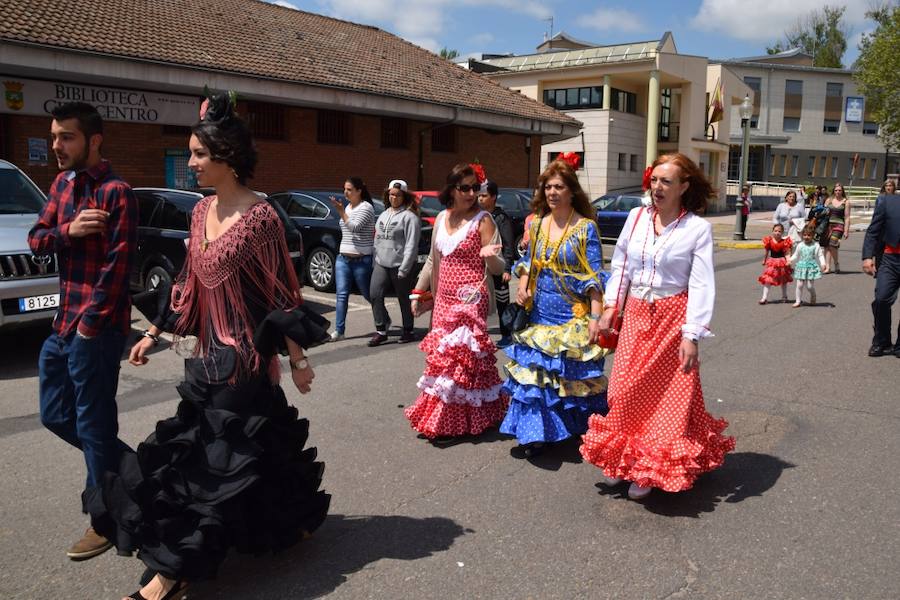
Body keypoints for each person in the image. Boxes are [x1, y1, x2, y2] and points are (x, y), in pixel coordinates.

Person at [81, 93, 331, 600]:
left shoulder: (261, 218)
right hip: (206, 358)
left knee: (210, 465)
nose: (190, 163)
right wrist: (153, 333)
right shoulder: (199, 214)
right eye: (191, 153)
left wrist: (297, 359)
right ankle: (287, 521)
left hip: (242, 361)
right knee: (251, 447)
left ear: (227, 157)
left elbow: (280, 296)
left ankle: (172, 574)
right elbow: (187, 284)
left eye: (198, 154)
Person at [580, 152, 735, 501]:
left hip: (672, 318)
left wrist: (691, 334)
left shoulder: (697, 228)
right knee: (623, 389)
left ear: (683, 186)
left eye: (667, 181)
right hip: (636, 314)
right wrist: (609, 309)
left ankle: (650, 467)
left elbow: (701, 284)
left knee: (664, 399)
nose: (658, 187)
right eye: (655, 180)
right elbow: (620, 266)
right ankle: (628, 457)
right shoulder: (636, 218)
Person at [27, 101, 138, 561]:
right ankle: (133, 469)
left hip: (97, 328)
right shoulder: (62, 184)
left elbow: (119, 267)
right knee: (55, 415)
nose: (57, 145)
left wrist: (90, 327)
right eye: (54, 137)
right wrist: (67, 231)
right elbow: (36, 239)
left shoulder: (117, 192)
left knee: (93, 423)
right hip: (61, 323)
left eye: (66, 137)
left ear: (94, 140)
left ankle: (104, 521)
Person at [500, 156, 609, 459]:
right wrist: (522, 287)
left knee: (569, 378)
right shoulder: (536, 225)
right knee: (536, 377)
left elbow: (595, 278)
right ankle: (536, 435)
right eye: (548, 187)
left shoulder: (585, 228)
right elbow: (528, 263)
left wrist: (596, 317)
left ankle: (571, 429)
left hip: (571, 313)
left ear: (571, 191)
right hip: (539, 315)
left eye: (559, 186)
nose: (552, 192)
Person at [405, 163, 508, 440]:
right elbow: (431, 260)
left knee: (460, 364)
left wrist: (490, 256)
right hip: (443, 300)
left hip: (470, 301)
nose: (472, 193)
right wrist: (418, 291)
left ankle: (450, 422)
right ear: (452, 188)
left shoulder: (484, 220)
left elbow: (498, 268)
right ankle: (453, 417)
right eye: (465, 188)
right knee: (442, 361)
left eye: (476, 188)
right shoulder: (441, 218)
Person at [369, 179, 421, 346]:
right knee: (374, 293)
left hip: (400, 264)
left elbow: (411, 244)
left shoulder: (409, 217)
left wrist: (405, 267)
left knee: (403, 298)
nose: (394, 198)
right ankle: (381, 330)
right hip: (381, 262)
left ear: (404, 196)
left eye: (398, 195)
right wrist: (374, 259)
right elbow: (376, 239)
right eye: (391, 194)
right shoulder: (383, 214)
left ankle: (408, 329)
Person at [328, 177, 375, 341]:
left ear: (359, 191)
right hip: (343, 259)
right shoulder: (348, 207)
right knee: (341, 295)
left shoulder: (366, 207)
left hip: (361, 260)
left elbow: (355, 228)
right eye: (344, 189)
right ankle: (339, 331)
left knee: (368, 294)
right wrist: (343, 211)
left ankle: (383, 321)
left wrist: (341, 212)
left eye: (349, 189)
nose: (345, 193)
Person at [862, 182, 900, 357]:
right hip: (890, 259)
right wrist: (868, 257)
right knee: (882, 299)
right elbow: (873, 231)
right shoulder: (888, 201)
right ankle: (882, 340)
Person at [478, 180, 516, 347]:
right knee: (480, 303)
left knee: (502, 303)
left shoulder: (501, 218)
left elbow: (508, 244)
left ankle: (507, 334)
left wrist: (507, 268)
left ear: (493, 197)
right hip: (480, 268)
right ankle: (479, 336)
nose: (480, 199)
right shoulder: (477, 216)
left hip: (498, 267)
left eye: (484, 195)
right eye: (479, 195)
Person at [789, 224, 827, 307]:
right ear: (802, 235)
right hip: (801, 266)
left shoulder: (815, 245)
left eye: (809, 235)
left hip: (811, 267)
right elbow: (796, 255)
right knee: (799, 285)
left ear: (813, 236)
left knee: (809, 286)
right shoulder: (800, 245)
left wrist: (823, 264)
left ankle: (813, 295)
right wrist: (789, 260)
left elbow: (820, 255)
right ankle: (798, 301)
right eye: (804, 235)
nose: (806, 237)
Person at [758, 224, 793, 304]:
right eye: (775, 231)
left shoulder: (784, 242)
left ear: (783, 232)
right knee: (768, 279)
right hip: (772, 262)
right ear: (772, 231)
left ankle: (784, 296)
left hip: (781, 262)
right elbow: (766, 252)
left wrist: (788, 260)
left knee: (783, 280)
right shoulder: (769, 241)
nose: (777, 233)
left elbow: (787, 253)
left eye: (780, 231)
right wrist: (764, 260)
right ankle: (764, 297)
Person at [823, 183, 851, 273]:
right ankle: (827, 267)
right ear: (833, 191)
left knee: (832, 244)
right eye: (836, 190)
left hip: (839, 225)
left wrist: (846, 231)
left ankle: (836, 263)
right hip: (828, 225)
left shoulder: (846, 202)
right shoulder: (829, 200)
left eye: (839, 190)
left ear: (842, 191)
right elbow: (823, 213)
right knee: (827, 246)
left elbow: (847, 217)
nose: (838, 192)